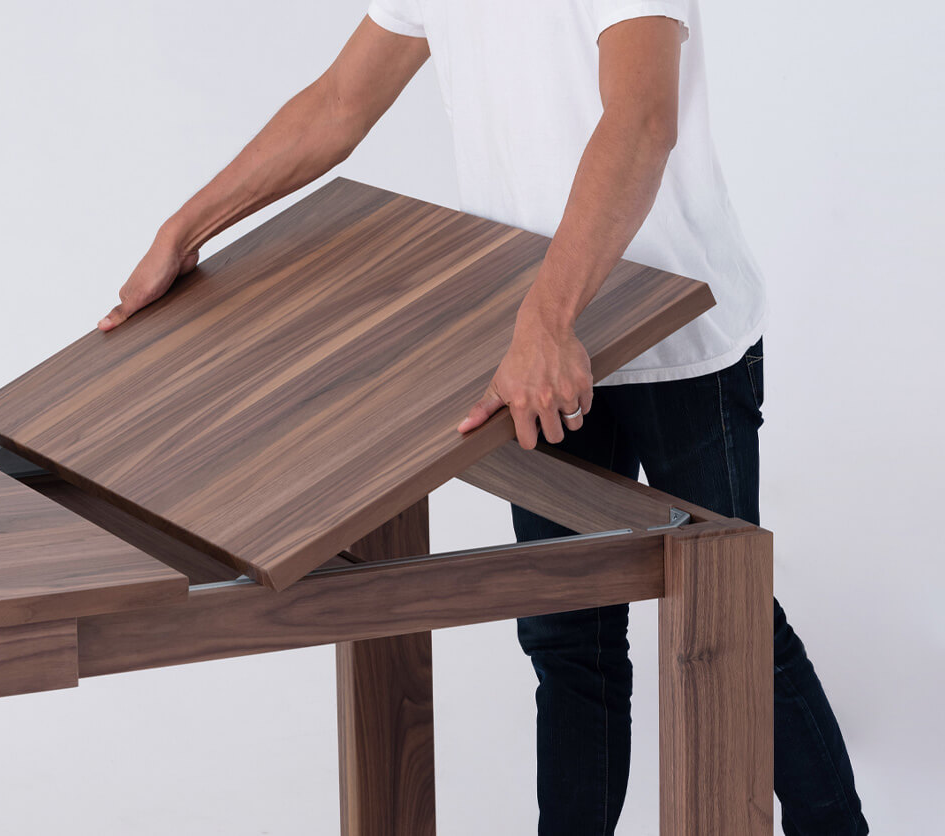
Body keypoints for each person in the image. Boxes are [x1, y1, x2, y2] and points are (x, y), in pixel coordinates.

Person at [93, 2, 867, 834]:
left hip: (679, 336)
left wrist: (547, 318)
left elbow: (642, 119)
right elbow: (338, 104)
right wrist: (185, 229)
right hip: (537, 350)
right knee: (569, 645)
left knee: (734, 627)